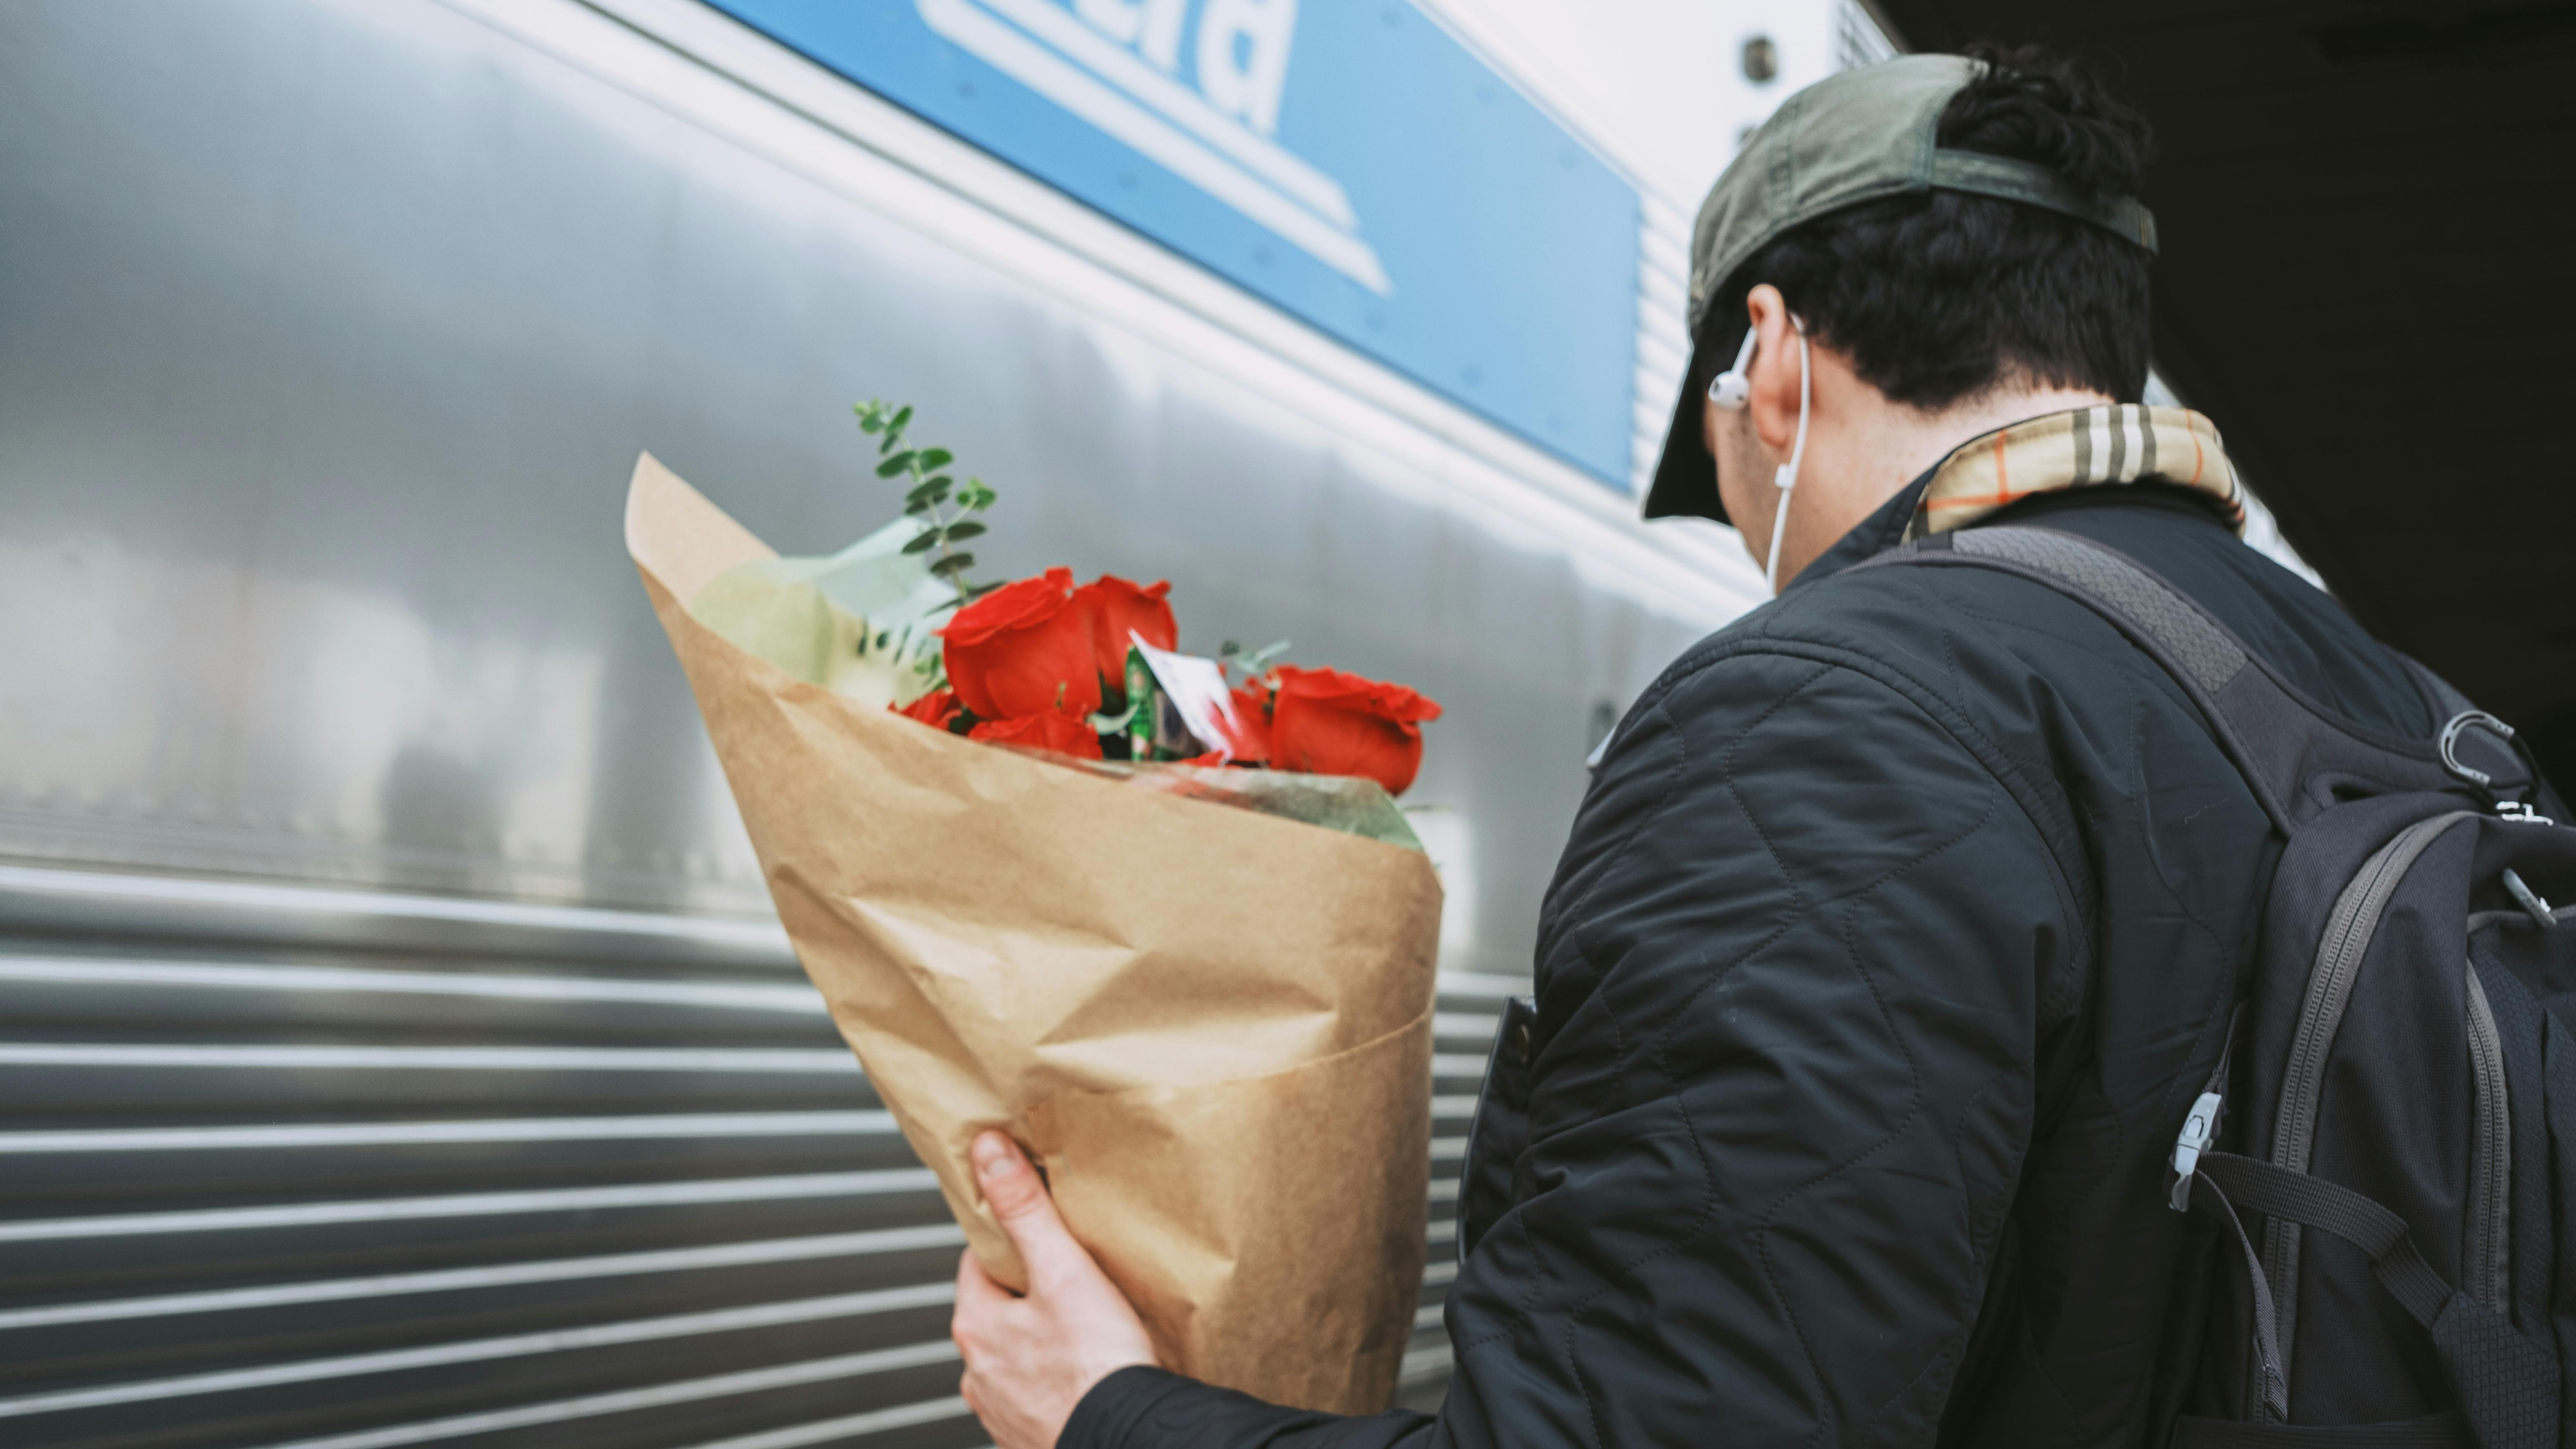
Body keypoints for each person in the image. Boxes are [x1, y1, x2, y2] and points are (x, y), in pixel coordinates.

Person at [949, 46, 2481, 1446]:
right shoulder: (2408, 709)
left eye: (1721, 458)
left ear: (1770, 357)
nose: (1753, 528)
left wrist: (1108, 1418)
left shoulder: (1832, 717)